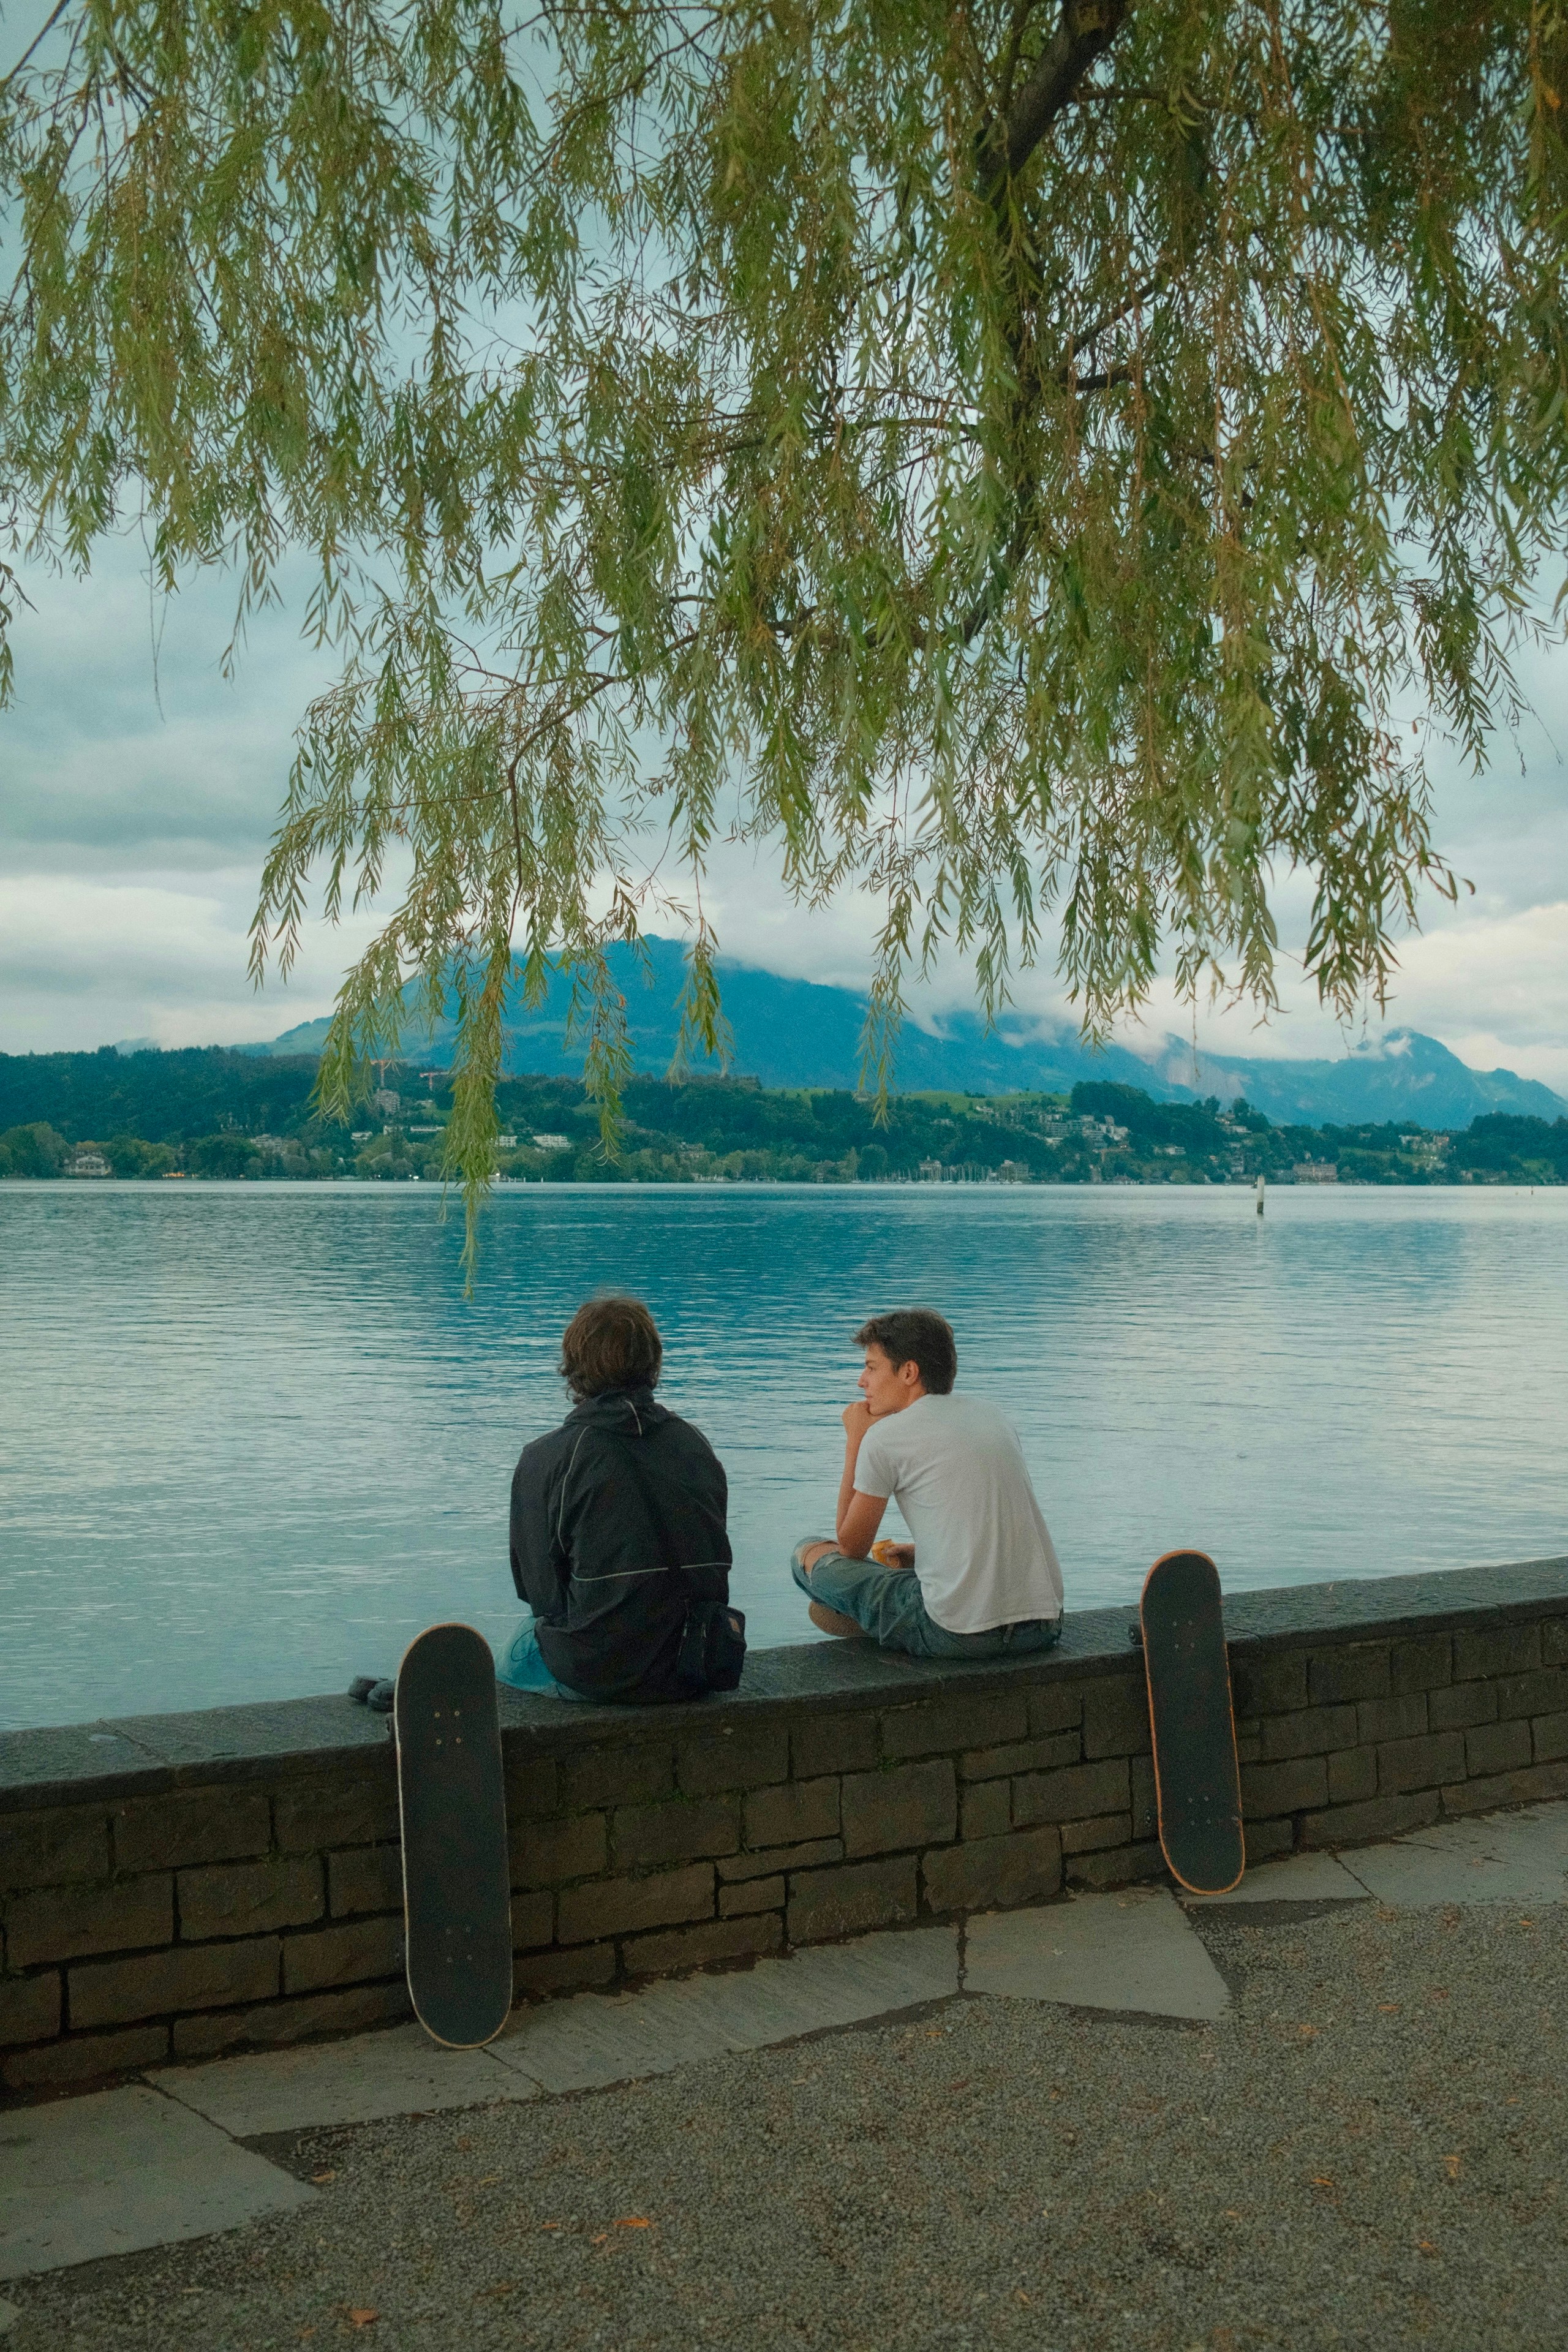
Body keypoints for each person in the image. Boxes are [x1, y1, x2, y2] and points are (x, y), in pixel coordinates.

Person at [500, 1295, 742, 1703]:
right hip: (698, 1663)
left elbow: (540, 1595)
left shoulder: (550, 1457)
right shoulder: (694, 1444)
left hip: (603, 1672)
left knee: (518, 1648)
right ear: (653, 1362)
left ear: (574, 1366)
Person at [792, 1306, 1063, 1659]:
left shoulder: (886, 1437)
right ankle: (888, 1615)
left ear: (908, 1372)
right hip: (1045, 1626)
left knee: (809, 1555)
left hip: (958, 1634)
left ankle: (879, 1622)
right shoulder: (993, 1416)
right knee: (907, 1571)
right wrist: (924, 1553)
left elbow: (851, 1546)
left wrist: (857, 1439)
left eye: (871, 1367)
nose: (862, 1381)